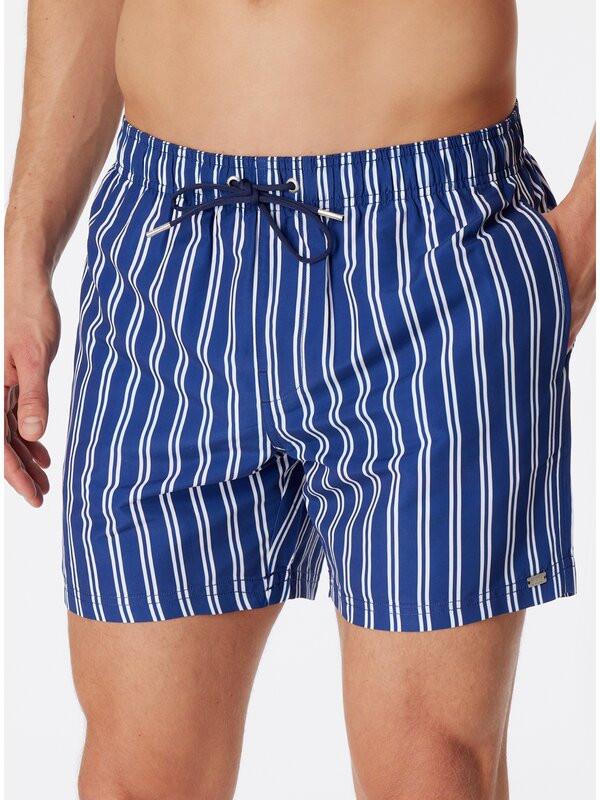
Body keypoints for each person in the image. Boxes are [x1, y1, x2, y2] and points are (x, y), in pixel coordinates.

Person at [4, 2, 595, 798]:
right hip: (168, 256)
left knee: (433, 774)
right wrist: (26, 249)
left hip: (431, 255)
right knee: (137, 779)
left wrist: (583, 243)